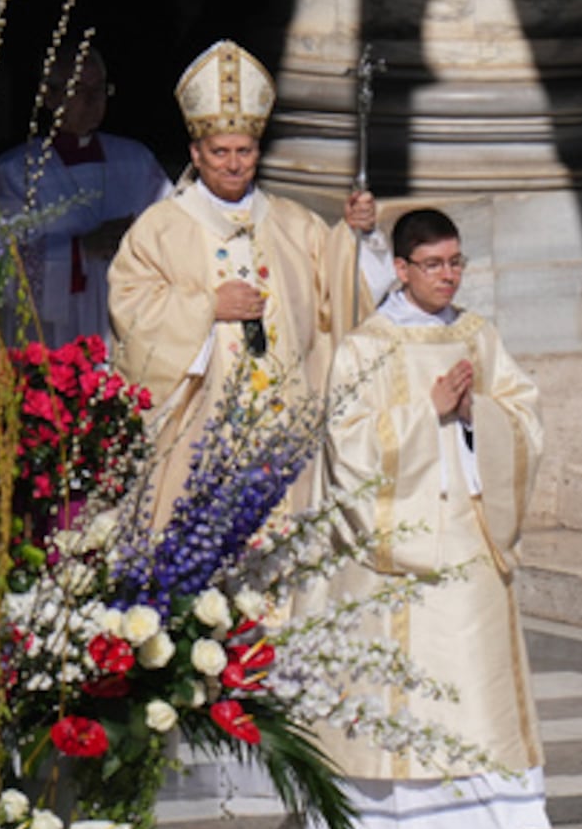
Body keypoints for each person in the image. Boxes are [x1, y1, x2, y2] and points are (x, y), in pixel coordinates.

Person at [303, 208, 565, 829]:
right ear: (400, 269)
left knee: (481, 689)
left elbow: (525, 415)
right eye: (433, 264)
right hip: (396, 543)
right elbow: (348, 444)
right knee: (406, 695)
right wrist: (429, 412)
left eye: (456, 263)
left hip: (472, 532)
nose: (447, 276)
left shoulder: (479, 335)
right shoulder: (367, 345)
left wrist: (481, 412)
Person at [107, 39, 397, 527]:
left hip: (283, 424)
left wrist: (356, 235)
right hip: (204, 423)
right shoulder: (159, 228)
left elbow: (343, 298)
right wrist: (206, 308)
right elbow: (130, 309)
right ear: (196, 154)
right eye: (220, 152)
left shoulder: (294, 224)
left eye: (244, 151)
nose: (233, 163)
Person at [0, 43, 173, 348]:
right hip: (52, 337)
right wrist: (80, 250)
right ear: (49, 97)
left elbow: (174, 232)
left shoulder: (135, 161)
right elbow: (1, 264)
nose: (92, 100)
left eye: (99, 89)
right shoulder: (16, 171)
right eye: (79, 89)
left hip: (124, 323)